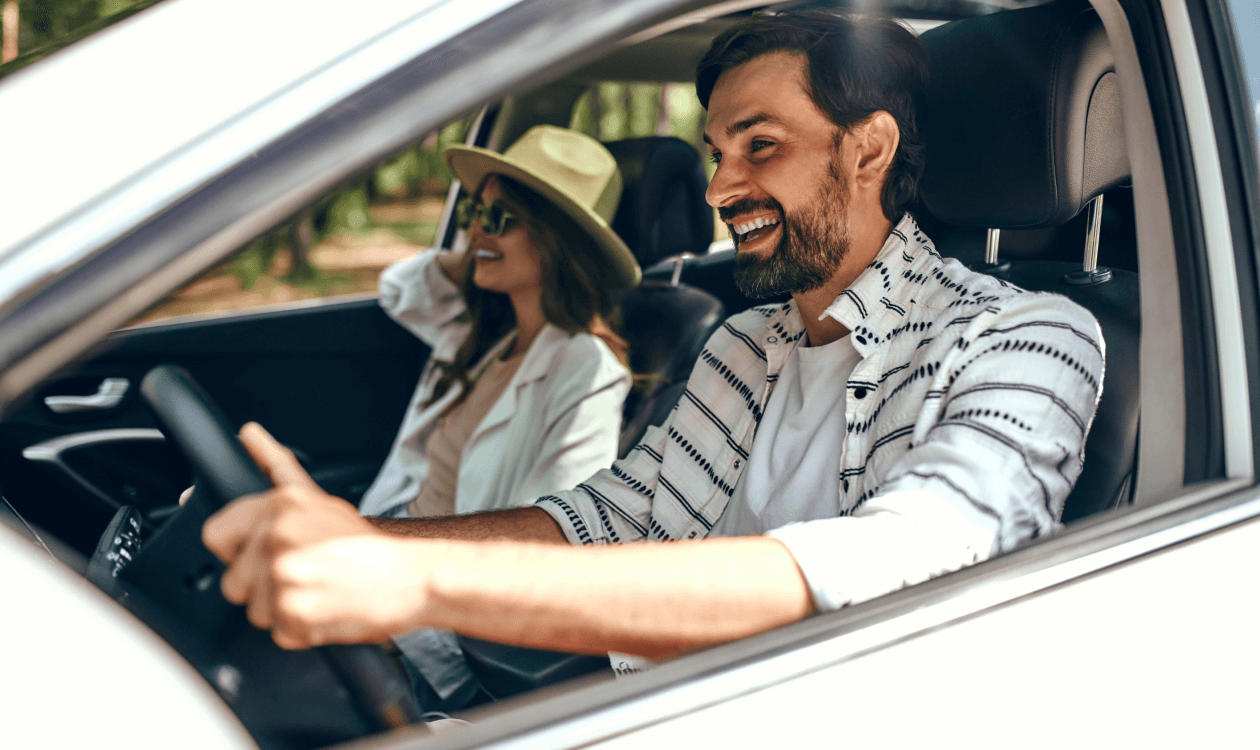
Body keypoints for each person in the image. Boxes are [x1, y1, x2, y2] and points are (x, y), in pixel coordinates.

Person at [203, 9, 1104, 687]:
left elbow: (901, 563)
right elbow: (599, 519)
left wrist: (412, 578)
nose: (720, 185)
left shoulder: (1030, 339)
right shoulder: (745, 346)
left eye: (760, 145)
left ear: (867, 152)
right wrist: (362, 541)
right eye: (716, 149)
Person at [357, 125, 641, 708]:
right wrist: (477, 249)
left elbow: (551, 538)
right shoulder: (486, 334)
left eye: (501, 217)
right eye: (474, 211)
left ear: (558, 240)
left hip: (429, 616)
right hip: (385, 549)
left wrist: (383, 595)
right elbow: (398, 289)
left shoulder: (586, 371)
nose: (478, 228)